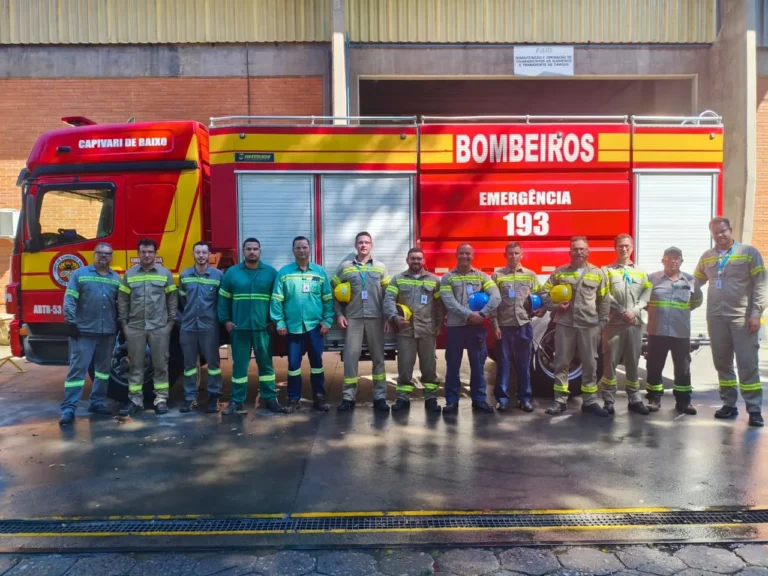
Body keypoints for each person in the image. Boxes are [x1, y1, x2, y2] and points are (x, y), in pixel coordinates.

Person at [694, 217, 768, 426]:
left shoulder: (748, 253)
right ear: (711, 234)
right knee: (722, 363)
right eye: (716, 232)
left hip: (742, 318)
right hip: (716, 318)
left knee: (747, 364)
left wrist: (756, 314)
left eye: (723, 231)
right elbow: (695, 282)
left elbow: (761, 285)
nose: (720, 235)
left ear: (731, 229)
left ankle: (754, 410)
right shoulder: (707, 257)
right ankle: (729, 404)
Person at [541, 236, 610, 417]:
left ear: (587, 251)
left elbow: (603, 301)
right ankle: (559, 401)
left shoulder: (598, 273)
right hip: (565, 325)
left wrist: (601, 324)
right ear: (569, 252)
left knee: (590, 364)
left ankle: (590, 402)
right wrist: (554, 307)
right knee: (561, 362)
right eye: (575, 249)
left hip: (589, 326)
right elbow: (543, 292)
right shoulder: (560, 273)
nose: (578, 252)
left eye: (582, 249)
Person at [218, 237, 284, 415]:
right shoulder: (232, 273)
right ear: (243, 251)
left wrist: (275, 321)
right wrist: (226, 321)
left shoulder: (271, 273)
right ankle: (236, 401)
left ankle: (270, 399)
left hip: (263, 329)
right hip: (239, 329)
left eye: (255, 249)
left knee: (266, 367)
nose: (252, 252)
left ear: (260, 251)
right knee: (239, 367)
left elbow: (278, 300)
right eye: (248, 249)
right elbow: (223, 298)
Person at [59, 242, 121, 425]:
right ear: (94, 255)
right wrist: (70, 322)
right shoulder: (80, 275)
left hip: (107, 332)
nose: (104, 257)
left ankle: (97, 402)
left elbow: (121, 304)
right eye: (101, 253)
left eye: (108, 254)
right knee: (77, 370)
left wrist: (120, 323)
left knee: (103, 371)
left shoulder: (116, 278)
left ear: (111, 257)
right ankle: (69, 408)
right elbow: (69, 299)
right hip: (84, 332)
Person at [270, 236, 334, 413]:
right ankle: (293, 399)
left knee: (317, 364)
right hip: (293, 327)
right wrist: (280, 322)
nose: (302, 250)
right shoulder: (285, 273)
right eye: (298, 248)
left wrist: (327, 321)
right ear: (293, 251)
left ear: (310, 249)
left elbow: (328, 300)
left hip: (315, 327)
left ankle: (319, 398)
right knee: (293, 366)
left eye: (305, 247)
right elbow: (276, 300)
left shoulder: (319, 273)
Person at [331, 232, 392, 413]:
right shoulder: (345, 267)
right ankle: (348, 398)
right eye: (360, 242)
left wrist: (389, 317)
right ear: (355, 246)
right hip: (353, 319)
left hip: (376, 318)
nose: (363, 245)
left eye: (366, 242)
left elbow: (388, 294)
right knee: (350, 358)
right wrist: (339, 314)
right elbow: (333, 291)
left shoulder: (380, 268)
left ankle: (380, 397)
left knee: (378, 359)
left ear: (371, 245)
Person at [117, 238, 178, 416]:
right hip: (135, 326)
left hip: (159, 326)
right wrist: (124, 325)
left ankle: (161, 399)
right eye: (143, 252)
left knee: (161, 364)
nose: (146, 255)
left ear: (155, 254)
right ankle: (135, 400)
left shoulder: (165, 274)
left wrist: (170, 324)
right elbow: (123, 301)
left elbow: (172, 300)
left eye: (150, 252)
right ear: (138, 254)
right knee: (135, 365)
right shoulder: (129, 275)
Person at [439, 243, 501, 414]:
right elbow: (449, 302)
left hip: (476, 328)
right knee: (452, 366)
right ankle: (451, 402)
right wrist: (469, 315)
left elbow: (496, 296)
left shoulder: (482, 277)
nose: (465, 256)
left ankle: (479, 401)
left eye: (468, 254)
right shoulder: (447, 278)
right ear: (456, 255)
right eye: (462, 253)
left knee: (478, 366)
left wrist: (482, 314)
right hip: (456, 328)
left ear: (472, 256)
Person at [383, 247, 445, 413]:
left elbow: (439, 305)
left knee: (429, 368)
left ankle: (431, 398)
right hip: (405, 332)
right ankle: (403, 399)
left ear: (423, 261)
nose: (416, 261)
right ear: (407, 260)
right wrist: (394, 317)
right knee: (404, 367)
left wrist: (439, 325)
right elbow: (388, 300)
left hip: (427, 331)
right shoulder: (398, 279)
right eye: (413, 258)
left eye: (419, 258)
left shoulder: (434, 280)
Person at [600, 234, 652, 415]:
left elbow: (647, 294)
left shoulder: (641, 272)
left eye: (627, 246)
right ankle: (608, 399)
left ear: (632, 248)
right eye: (620, 246)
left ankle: (635, 398)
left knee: (633, 361)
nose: (624, 249)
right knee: (610, 362)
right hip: (614, 323)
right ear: (615, 248)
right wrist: (622, 311)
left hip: (634, 323)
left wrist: (635, 311)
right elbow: (605, 294)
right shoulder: (606, 271)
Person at [646, 247, 703, 414]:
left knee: (683, 368)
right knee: (654, 366)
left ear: (681, 261)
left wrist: (680, 313)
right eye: (669, 258)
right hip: (657, 331)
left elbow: (697, 301)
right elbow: (643, 300)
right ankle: (653, 398)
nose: (673, 261)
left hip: (680, 332)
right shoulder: (652, 279)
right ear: (663, 260)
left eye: (677, 258)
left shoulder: (690, 281)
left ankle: (683, 402)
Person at [490, 242, 539, 412]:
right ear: (505, 255)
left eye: (516, 253)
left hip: (524, 325)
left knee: (524, 364)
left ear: (522, 255)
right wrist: (495, 325)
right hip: (504, 326)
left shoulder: (530, 275)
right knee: (503, 364)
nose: (513, 256)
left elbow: (539, 296)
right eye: (510, 253)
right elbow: (493, 304)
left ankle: (524, 398)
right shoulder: (497, 276)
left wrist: (540, 310)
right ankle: (502, 399)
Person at [178, 241, 224, 414]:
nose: (201, 256)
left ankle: (214, 397)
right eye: (198, 252)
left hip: (209, 326)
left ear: (209, 254)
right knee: (189, 365)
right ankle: (190, 398)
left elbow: (221, 303)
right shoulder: (184, 275)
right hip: (188, 326)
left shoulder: (218, 276)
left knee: (213, 364)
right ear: (193, 254)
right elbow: (182, 300)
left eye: (204, 252)